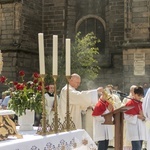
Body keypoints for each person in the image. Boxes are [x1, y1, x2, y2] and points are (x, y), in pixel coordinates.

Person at [121, 85, 137, 150]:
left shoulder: (139, 98)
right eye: (133, 90)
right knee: (128, 137)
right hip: (128, 120)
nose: (134, 92)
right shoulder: (126, 99)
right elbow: (122, 107)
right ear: (130, 91)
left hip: (136, 120)